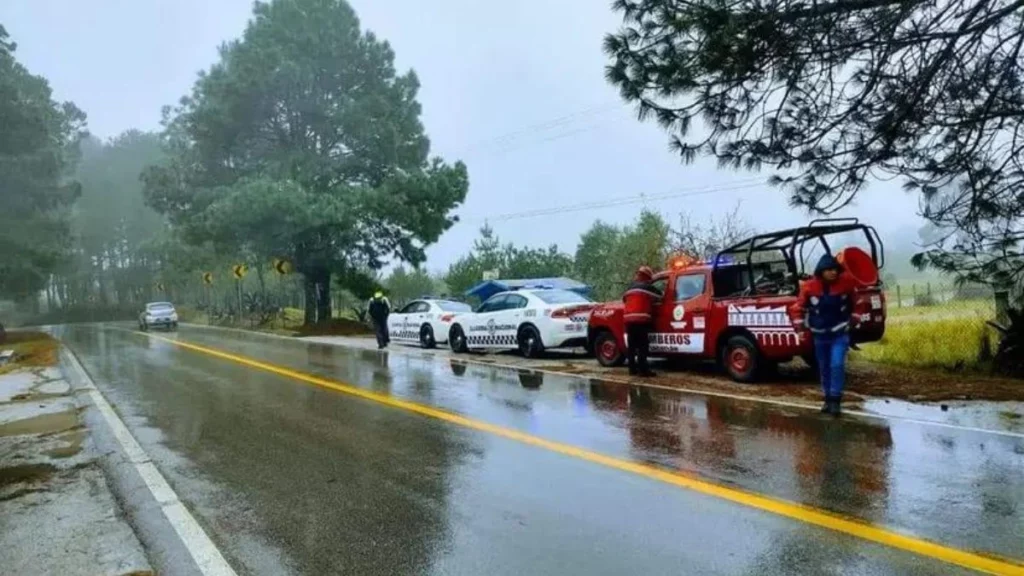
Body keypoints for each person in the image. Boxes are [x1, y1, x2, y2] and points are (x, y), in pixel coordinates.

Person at [797, 253, 858, 416]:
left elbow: (857, 301)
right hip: (819, 335)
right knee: (823, 367)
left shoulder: (846, 283)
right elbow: (798, 308)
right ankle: (827, 398)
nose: (833, 272)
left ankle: (836, 400)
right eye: (829, 270)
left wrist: (854, 319)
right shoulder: (810, 287)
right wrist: (800, 329)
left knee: (836, 364)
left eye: (835, 269)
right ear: (821, 271)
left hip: (839, 333)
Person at [622, 266, 662, 377]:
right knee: (643, 346)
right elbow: (660, 296)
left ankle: (632, 370)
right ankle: (643, 370)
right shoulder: (647, 287)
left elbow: (624, 299)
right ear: (647, 277)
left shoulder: (629, 288)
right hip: (641, 321)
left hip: (629, 321)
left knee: (632, 347)